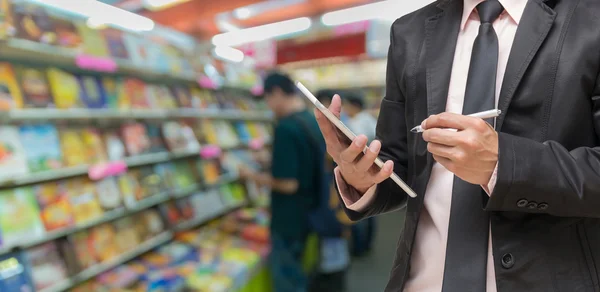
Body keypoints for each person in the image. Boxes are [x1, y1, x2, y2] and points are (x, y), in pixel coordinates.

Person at [314, 0, 600, 292]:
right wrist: (362, 178)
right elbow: (399, 160)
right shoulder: (409, 32)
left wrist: (504, 164)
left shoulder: (590, 19)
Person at [242, 72, 324, 292]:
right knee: (297, 271)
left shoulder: (285, 127)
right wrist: (272, 159)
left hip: (288, 218)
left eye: (268, 99)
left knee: (287, 277)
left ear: (277, 93)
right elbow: (303, 161)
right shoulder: (309, 120)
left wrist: (251, 176)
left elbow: (288, 184)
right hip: (308, 211)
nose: (268, 105)